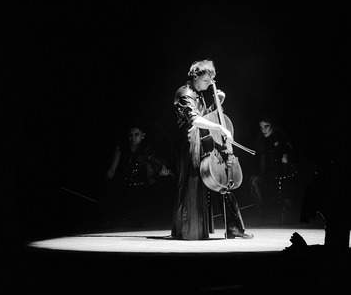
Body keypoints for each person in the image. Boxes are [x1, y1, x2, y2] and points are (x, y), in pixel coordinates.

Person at [171, 59, 253, 240]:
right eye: (206, 80)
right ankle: (189, 230)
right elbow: (194, 119)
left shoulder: (198, 94)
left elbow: (206, 116)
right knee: (192, 185)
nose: (209, 84)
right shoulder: (184, 93)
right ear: (195, 76)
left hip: (203, 142)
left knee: (220, 181)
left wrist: (218, 103)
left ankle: (233, 227)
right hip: (190, 144)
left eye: (210, 81)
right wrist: (220, 127)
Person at [104, 124, 172, 228]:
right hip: (125, 187)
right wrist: (108, 181)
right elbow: (112, 169)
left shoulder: (147, 151)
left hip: (143, 189)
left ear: (142, 136)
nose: (133, 138)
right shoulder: (122, 149)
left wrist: (161, 172)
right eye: (131, 135)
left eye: (136, 134)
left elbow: (155, 168)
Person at [250, 115, 298, 224]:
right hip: (266, 174)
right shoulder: (260, 139)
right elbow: (259, 158)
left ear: (272, 126)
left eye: (266, 126)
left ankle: (285, 216)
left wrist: (286, 156)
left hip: (281, 173)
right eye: (261, 127)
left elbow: (290, 153)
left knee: (285, 186)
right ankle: (262, 214)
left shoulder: (280, 136)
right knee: (253, 181)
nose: (263, 130)